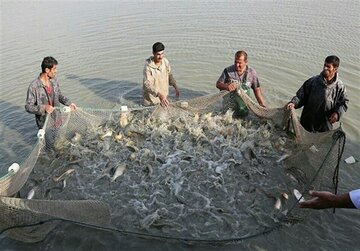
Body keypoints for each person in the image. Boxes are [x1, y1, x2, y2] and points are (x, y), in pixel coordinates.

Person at [286, 55, 349, 132]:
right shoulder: (313, 82)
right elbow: (300, 97)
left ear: (335, 69)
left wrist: (337, 114)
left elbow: (343, 103)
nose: (325, 68)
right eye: (324, 65)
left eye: (328, 67)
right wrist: (293, 103)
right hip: (306, 124)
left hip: (324, 127)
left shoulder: (340, 87)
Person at [25, 56, 76, 129]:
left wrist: (69, 103)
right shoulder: (34, 87)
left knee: (59, 139)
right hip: (45, 124)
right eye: (54, 69)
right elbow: (28, 107)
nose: (56, 71)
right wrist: (44, 108)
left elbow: (58, 95)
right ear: (47, 70)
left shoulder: (54, 80)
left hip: (58, 119)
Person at [216, 50, 266, 117]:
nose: (237, 65)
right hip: (228, 110)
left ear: (246, 62)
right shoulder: (227, 71)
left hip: (243, 109)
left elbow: (257, 90)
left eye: (240, 63)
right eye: (235, 62)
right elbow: (218, 84)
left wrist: (262, 106)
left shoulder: (252, 73)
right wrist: (226, 87)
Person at [143, 42, 179, 107]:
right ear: (153, 53)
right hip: (151, 99)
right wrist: (159, 94)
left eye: (162, 54)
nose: (161, 57)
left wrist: (175, 87)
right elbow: (147, 85)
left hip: (164, 97)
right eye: (158, 54)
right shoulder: (148, 67)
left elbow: (170, 75)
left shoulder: (165, 62)